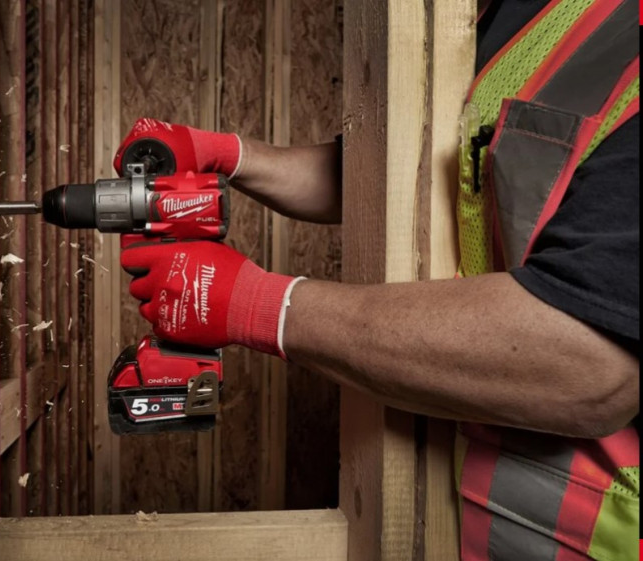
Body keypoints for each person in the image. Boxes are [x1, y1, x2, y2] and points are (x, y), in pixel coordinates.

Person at [114, 0, 639, 559]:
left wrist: (254, 305)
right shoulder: (514, 15)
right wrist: (232, 156)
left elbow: (590, 370)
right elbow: (404, 174)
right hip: (459, 510)